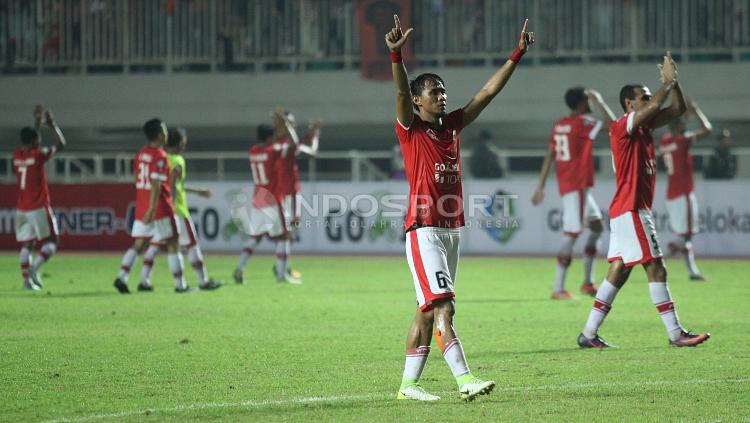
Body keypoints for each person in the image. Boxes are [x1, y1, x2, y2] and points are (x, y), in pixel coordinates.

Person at [387, 15, 534, 401]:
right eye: (434, 91)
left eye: (443, 90)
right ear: (419, 100)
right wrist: (396, 56)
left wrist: (516, 55)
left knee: (425, 311)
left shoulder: (452, 125)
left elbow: (486, 94)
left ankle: (407, 386)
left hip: (451, 229)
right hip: (423, 229)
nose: (442, 95)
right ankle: (465, 379)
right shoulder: (410, 128)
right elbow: (401, 96)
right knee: (445, 307)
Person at [577, 52, 710, 349]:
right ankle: (676, 333)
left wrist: (673, 83)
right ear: (629, 104)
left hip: (629, 209)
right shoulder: (622, 125)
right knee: (657, 267)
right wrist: (664, 83)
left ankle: (588, 334)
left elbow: (678, 108)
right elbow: (657, 106)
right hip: (632, 209)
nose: (650, 100)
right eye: (644, 97)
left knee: (618, 273)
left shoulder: (644, 126)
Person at [531, 87, 616, 299]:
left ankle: (587, 282)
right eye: (587, 99)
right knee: (571, 235)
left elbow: (550, 154)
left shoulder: (561, 124)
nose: (589, 103)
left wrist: (541, 185)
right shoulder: (582, 123)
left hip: (573, 185)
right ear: (581, 103)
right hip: (576, 185)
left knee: (596, 227)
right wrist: (601, 101)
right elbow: (615, 125)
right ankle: (558, 288)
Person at [233, 108, 320, 284]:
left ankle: (240, 267)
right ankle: (282, 273)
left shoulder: (254, 150)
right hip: (278, 196)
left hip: (259, 197)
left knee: (256, 236)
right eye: (289, 122)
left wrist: (310, 133)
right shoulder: (277, 148)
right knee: (285, 235)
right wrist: (293, 128)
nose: (292, 124)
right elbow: (299, 147)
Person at [136, 128, 222, 291]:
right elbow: (173, 185)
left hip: (161, 209)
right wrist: (173, 206)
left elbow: (171, 185)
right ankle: (202, 281)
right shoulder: (177, 160)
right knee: (192, 245)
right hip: (178, 211)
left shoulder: (162, 157)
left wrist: (197, 191)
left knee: (154, 245)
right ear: (181, 142)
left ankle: (144, 280)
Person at [113, 118, 189, 294]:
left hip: (142, 204)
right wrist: (153, 207)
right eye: (164, 130)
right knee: (173, 243)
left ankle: (122, 276)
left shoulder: (141, 153)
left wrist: (145, 203)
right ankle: (180, 285)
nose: (166, 133)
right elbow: (156, 182)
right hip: (159, 206)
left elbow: (137, 178)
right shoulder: (160, 156)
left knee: (139, 244)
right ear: (159, 134)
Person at [13, 105, 66, 290]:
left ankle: (26, 281)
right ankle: (33, 270)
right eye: (38, 138)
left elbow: (31, 140)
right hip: (38, 207)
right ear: (35, 140)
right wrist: (52, 124)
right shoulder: (39, 155)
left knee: (27, 244)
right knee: (52, 242)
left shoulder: (17, 155)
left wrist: (36, 122)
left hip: (21, 208)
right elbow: (61, 144)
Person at [659, 99, 712, 281]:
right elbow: (707, 129)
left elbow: (675, 128)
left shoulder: (666, 140)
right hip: (683, 193)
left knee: (685, 235)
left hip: (672, 194)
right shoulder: (682, 141)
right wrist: (696, 111)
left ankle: (692, 272)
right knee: (686, 235)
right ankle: (660, 258)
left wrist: (683, 115)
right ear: (679, 126)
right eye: (683, 123)